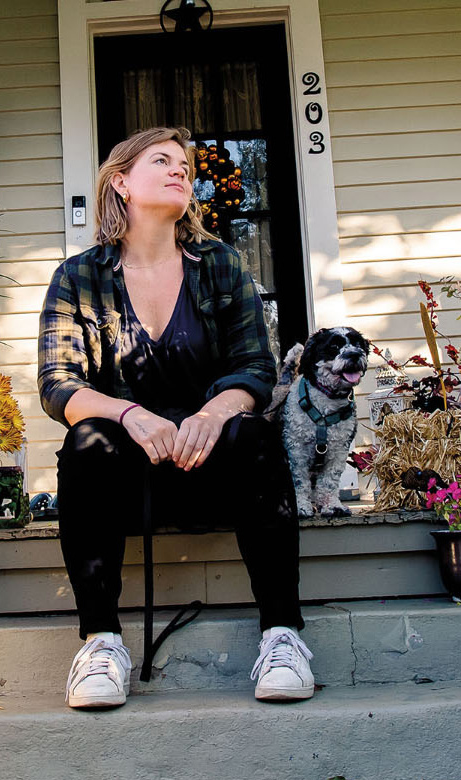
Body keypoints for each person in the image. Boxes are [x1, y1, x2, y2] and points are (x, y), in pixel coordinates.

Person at [38, 126, 313, 709]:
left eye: (185, 166)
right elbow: (58, 385)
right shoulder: (78, 278)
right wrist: (130, 414)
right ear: (121, 183)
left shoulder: (220, 266)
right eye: (161, 161)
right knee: (86, 440)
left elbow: (257, 369)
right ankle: (102, 643)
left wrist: (213, 415)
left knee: (255, 433)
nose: (180, 171)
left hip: (216, 475)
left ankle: (282, 636)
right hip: (124, 484)